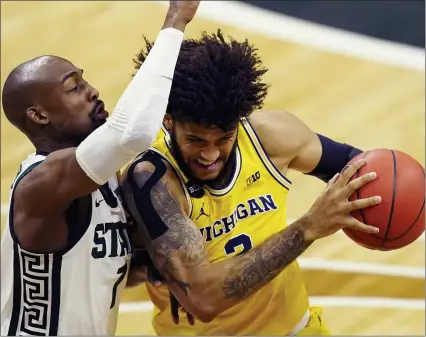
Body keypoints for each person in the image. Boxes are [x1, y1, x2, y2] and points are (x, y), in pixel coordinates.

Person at [120, 30, 381, 336]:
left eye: (223, 138)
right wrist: (308, 227)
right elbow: (203, 299)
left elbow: (362, 167)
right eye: (195, 140)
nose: (210, 154)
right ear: (167, 120)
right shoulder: (153, 180)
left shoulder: (271, 137)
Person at [0, 1, 200, 335]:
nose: (91, 90)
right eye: (74, 86)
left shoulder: (102, 177)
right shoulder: (42, 184)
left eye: (84, 80)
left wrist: (165, 270)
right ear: (39, 115)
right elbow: (129, 134)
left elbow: (104, 267)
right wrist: (176, 19)